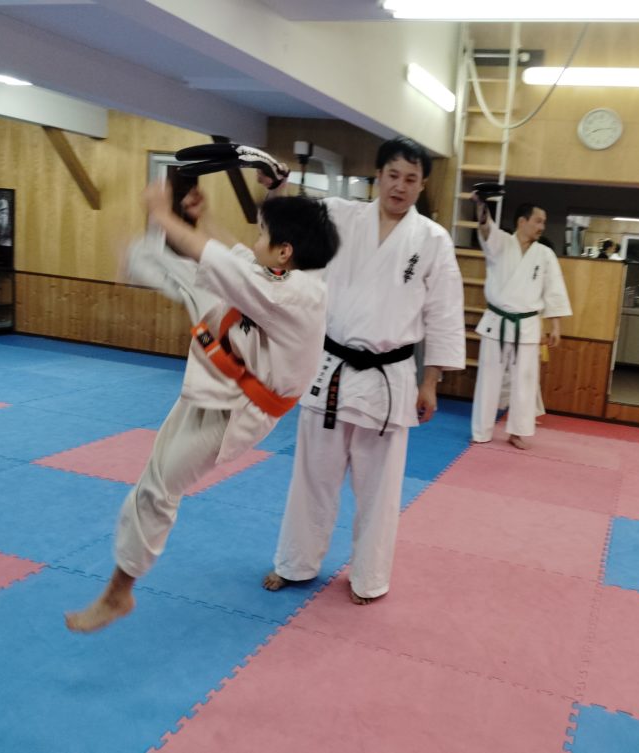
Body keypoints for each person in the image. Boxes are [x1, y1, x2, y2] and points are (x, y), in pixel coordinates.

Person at [65, 177, 340, 633]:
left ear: (285, 251)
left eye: (263, 234)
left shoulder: (300, 295)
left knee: (159, 489)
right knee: (202, 278)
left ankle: (118, 594)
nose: (256, 241)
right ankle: (141, 258)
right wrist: (203, 218)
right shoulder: (280, 274)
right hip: (220, 380)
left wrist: (163, 215)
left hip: (242, 409)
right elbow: (239, 257)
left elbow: (229, 263)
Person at [263, 137, 465, 605]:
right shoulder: (340, 215)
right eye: (393, 175)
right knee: (311, 478)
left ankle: (369, 578)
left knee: (379, 491)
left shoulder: (432, 240)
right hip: (331, 369)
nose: (400, 186)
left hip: (389, 380)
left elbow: (444, 314)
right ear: (378, 176)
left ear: (422, 185)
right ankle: (295, 563)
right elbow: (289, 227)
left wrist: (431, 382)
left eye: (411, 179)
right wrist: (276, 187)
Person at [470, 200, 571, 450]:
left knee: (525, 382)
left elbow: (554, 290)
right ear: (522, 222)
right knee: (488, 379)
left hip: (527, 326)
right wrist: (481, 207)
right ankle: (481, 431)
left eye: (544, 222)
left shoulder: (545, 254)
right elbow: (486, 229)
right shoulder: (501, 243)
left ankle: (518, 432)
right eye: (538, 221)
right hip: (496, 322)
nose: (542, 227)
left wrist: (555, 325)